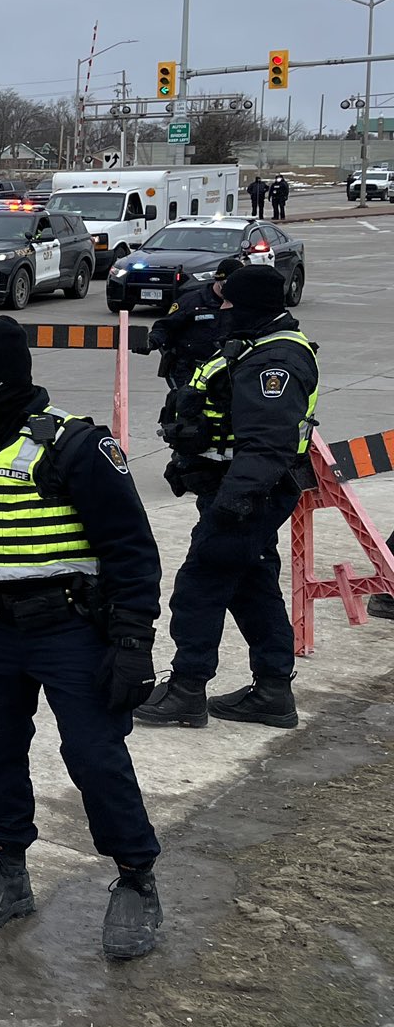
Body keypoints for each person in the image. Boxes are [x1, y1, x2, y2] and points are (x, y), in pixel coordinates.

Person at [0, 315, 165, 961]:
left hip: (70, 629)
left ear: (10, 379)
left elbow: (132, 550)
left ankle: (135, 878)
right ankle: (5, 864)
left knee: (95, 756)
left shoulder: (73, 446)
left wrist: (133, 644)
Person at [136, 264, 318, 731]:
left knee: (200, 584)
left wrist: (234, 503)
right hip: (236, 486)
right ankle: (273, 691)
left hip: (248, 493)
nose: (223, 310)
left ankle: (187, 691)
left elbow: (268, 443)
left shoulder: (274, 361)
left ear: (251, 305)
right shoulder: (255, 347)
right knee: (252, 584)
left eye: (230, 303)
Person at [146, 256, 243, 419]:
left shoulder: (242, 303)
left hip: (223, 370)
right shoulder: (192, 301)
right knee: (188, 409)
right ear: (218, 281)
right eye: (227, 285)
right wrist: (151, 341)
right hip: (188, 368)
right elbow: (165, 327)